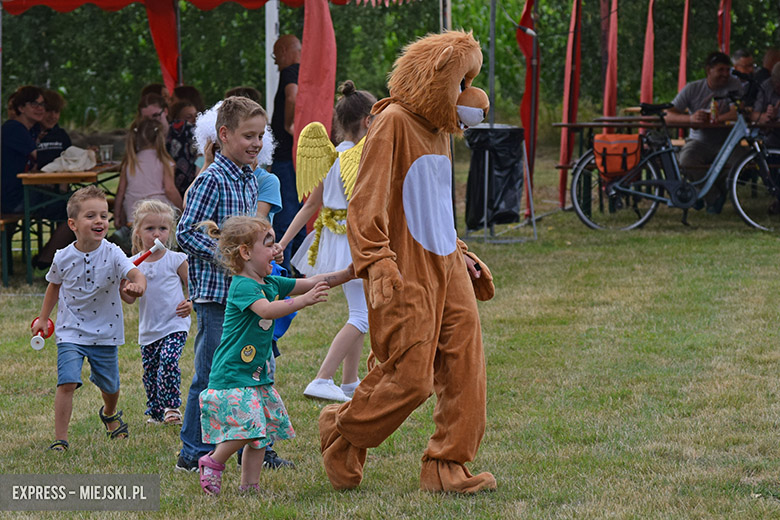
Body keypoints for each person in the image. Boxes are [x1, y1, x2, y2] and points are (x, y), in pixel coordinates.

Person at [194, 215, 354, 495]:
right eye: (268, 244)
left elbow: (315, 280)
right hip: (232, 373)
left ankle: (249, 487)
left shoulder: (270, 281)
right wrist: (302, 301)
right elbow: (267, 310)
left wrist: (349, 273)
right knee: (250, 429)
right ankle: (213, 460)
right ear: (245, 253)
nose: (277, 249)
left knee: (261, 435)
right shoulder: (243, 286)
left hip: (255, 374)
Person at [174, 96, 263, 473]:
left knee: (248, 374)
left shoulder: (249, 178)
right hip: (215, 296)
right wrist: (228, 254)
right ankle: (192, 452)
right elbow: (186, 234)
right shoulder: (210, 180)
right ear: (223, 135)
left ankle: (256, 447)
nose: (256, 143)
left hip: (245, 296)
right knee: (210, 374)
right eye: (248, 136)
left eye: (260, 136)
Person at [279, 80, 376, 402]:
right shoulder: (364, 157)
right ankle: (322, 378)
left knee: (358, 311)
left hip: (334, 239)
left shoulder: (331, 156)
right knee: (362, 316)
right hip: (353, 241)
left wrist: (284, 241)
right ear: (367, 121)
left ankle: (349, 383)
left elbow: (310, 205)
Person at [31, 185, 147, 451]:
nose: (100, 221)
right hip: (70, 329)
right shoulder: (63, 257)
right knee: (67, 381)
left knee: (111, 386)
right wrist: (42, 318)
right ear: (72, 224)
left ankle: (109, 413)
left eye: (104, 216)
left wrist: (138, 286)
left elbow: (135, 274)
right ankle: (61, 439)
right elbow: (54, 286)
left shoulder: (114, 252)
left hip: (105, 331)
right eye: (91, 216)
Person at [123, 199, 192, 425]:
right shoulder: (131, 264)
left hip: (175, 323)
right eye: (150, 228)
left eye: (162, 229)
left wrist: (191, 301)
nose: (157, 235)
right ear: (138, 231)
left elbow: (194, 286)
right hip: (149, 327)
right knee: (150, 371)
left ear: (170, 231)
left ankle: (172, 407)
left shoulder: (177, 259)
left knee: (168, 362)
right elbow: (128, 299)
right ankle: (154, 410)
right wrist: (124, 287)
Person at [665, 51, 744, 214]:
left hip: (727, 142)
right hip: (699, 141)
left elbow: (738, 112)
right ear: (709, 70)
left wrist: (717, 118)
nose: (725, 74)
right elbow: (667, 115)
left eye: (727, 70)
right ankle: (713, 196)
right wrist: (691, 119)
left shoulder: (734, 85)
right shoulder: (693, 88)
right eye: (720, 70)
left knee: (743, 162)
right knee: (686, 161)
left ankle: (710, 193)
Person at [269, 34, 305, 273]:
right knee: (301, 213)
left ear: (284, 51)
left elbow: (291, 96)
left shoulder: (291, 71)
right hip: (297, 156)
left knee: (285, 214)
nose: (275, 62)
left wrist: (290, 125)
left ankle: (282, 269)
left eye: (275, 55)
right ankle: (301, 267)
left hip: (285, 156)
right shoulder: (305, 72)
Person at [114, 118, 183, 234]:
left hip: (134, 216)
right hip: (159, 216)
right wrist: (182, 209)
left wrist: (116, 217)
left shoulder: (130, 162)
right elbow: (170, 189)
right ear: (160, 138)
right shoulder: (165, 161)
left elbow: (121, 191)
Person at [138, 93, 199, 198]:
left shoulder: (183, 128)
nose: (151, 121)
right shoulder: (143, 139)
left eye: (155, 115)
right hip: (160, 198)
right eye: (146, 118)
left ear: (165, 111)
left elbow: (203, 152)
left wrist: (199, 177)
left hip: (191, 192)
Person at [2, 85, 44, 215]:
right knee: (73, 205)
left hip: (22, 193)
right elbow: (42, 158)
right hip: (12, 199)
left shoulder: (31, 131)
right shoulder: (14, 128)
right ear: (21, 108)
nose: (40, 108)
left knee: (71, 203)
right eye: (34, 104)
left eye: (42, 104)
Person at [36, 89, 71, 170]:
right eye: (48, 111)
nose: (53, 116)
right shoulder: (28, 134)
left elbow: (69, 163)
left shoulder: (62, 135)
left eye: (57, 112)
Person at [752, 62, 780, 148]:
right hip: (770, 139)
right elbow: (754, 115)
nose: (778, 85)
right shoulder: (766, 86)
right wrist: (768, 115)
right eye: (776, 83)